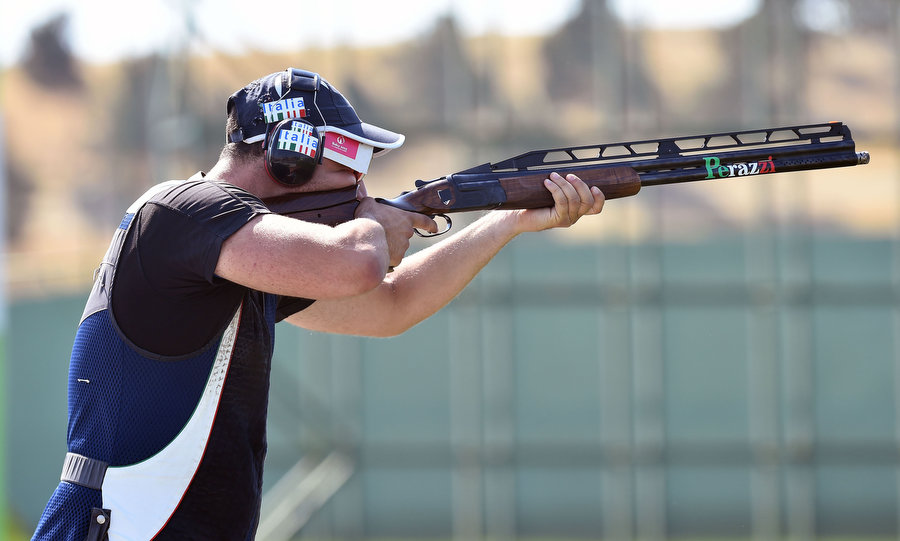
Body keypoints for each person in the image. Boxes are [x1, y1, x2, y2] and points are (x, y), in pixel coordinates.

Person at [32, 67, 604, 540]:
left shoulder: (241, 256)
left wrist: (506, 223)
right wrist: (373, 225)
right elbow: (354, 266)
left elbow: (393, 306)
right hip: (123, 527)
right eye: (346, 166)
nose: (358, 188)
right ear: (290, 155)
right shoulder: (182, 211)